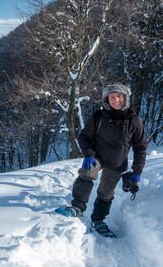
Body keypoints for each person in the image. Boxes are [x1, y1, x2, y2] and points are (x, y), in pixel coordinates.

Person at [58, 83, 148, 237]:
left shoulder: (134, 120)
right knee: (87, 173)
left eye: (119, 96)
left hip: (117, 161)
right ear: (107, 100)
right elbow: (84, 137)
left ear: (125, 98)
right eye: (112, 97)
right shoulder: (98, 116)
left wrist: (136, 171)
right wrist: (88, 154)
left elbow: (141, 147)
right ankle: (77, 207)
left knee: (106, 193)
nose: (116, 100)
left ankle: (98, 220)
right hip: (97, 156)